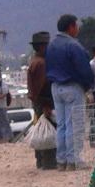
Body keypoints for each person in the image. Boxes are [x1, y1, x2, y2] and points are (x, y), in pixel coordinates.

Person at [45, 13, 93, 170]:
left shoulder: (51, 45)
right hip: (72, 86)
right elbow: (84, 70)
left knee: (62, 125)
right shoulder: (74, 45)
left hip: (55, 87)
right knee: (75, 124)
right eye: (76, 25)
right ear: (71, 27)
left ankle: (61, 160)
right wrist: (88, 86)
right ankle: (74, 160)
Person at [26, 31, 57, 170]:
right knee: (48, 132)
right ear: (43, 47)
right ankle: (48, 162)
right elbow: (42, 87)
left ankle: (40, 161)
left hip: (37, 102)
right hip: (43, 102)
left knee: (41, 130)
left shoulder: (34, 61)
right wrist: (46, 104)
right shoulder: (41, 64)